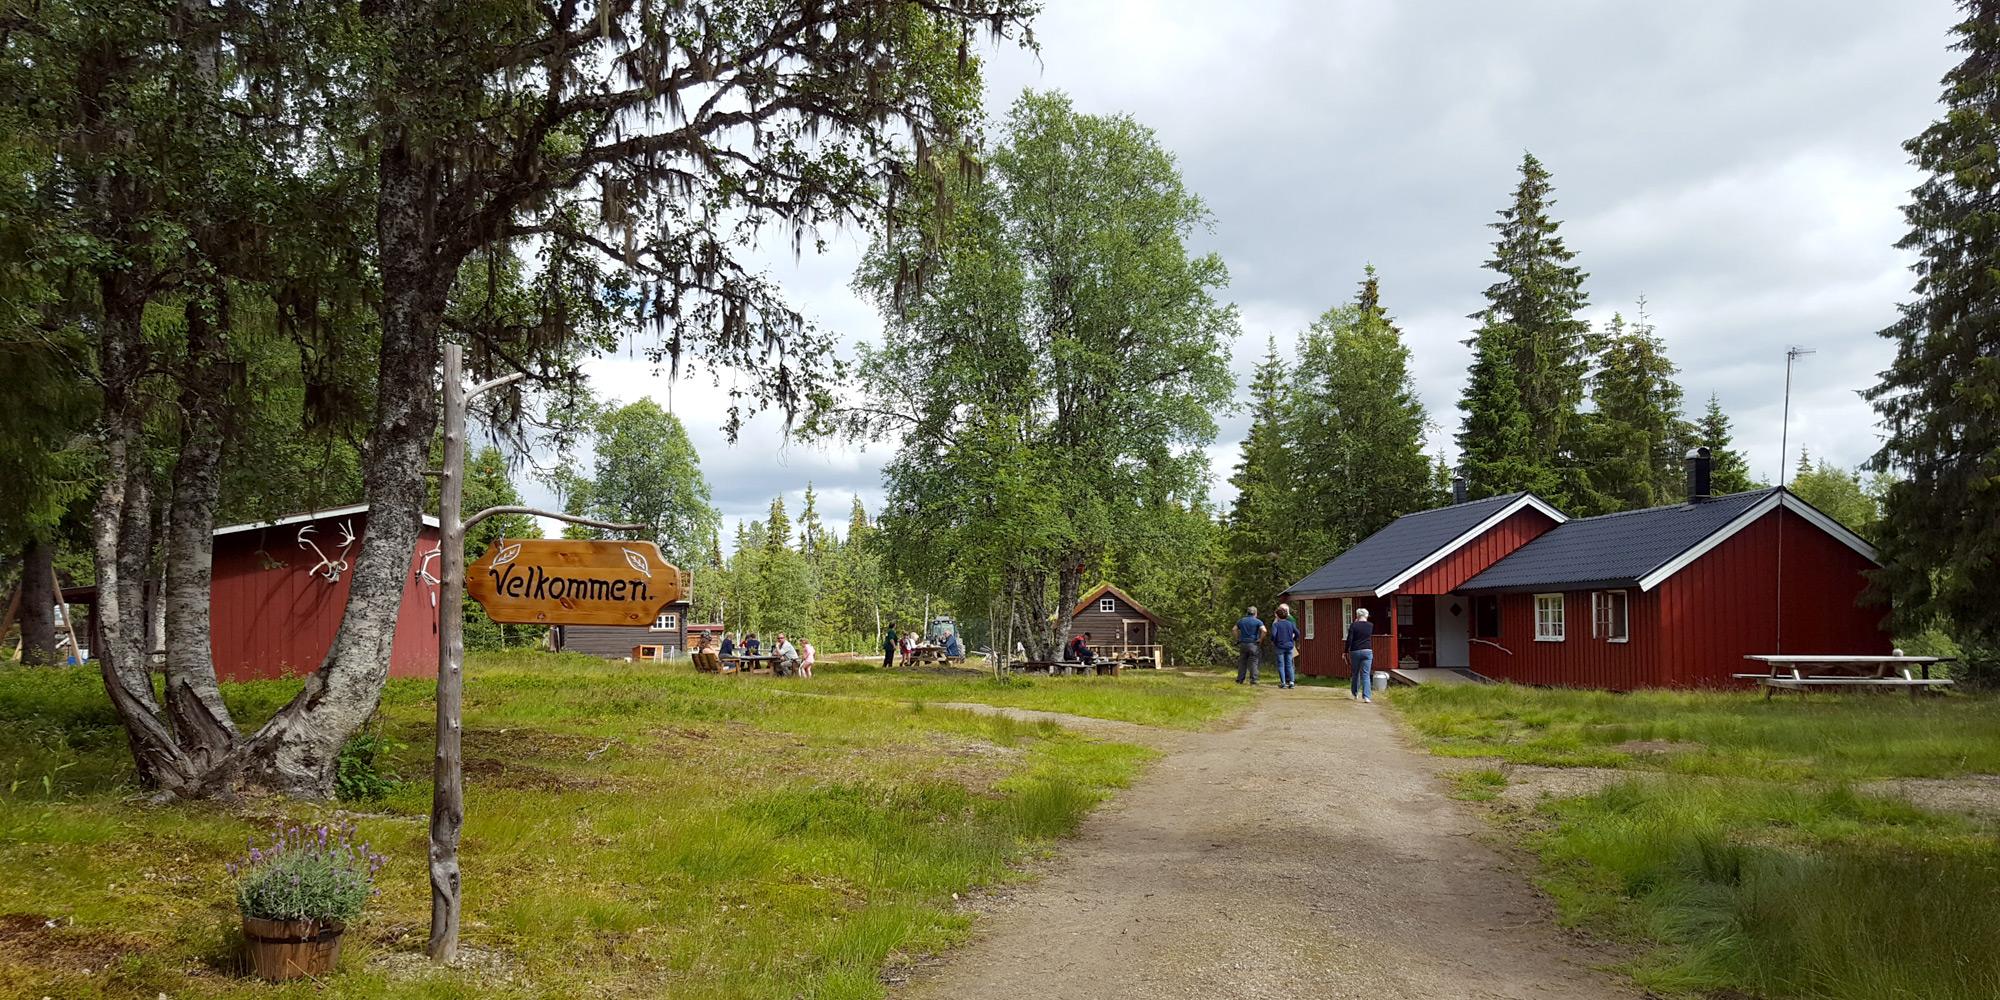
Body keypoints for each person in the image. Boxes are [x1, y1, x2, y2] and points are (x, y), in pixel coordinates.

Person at [1346, 607, 1375, 702]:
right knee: (1366, 674)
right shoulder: (1370, 625)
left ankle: (1355, 694)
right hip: (1367, 650)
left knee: (1355, 673)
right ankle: (1366, 697)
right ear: (1366, 615)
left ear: (1357, 616)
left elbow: (1349, 639)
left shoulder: (1353, 625)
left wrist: (1345, 651)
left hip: (1355, 651)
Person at [1235, 606, 1267, 685]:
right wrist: (1260, 639)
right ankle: (1254, 680)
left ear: (1247, 613)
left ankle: (1240, 679)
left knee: (1242, 662)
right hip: (1253, 644)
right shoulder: (1258, 621)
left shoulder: (1241, 621)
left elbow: (1234, 629)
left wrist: (1238, 638)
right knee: (1253, 662)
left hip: (1243, 643)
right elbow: (1264, 630)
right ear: (1255, 613)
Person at [1271, 604, 1300, 689]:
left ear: (1278, 616)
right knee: (1289, 664)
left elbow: (1273, 635)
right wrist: (1295, 639)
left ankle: (1283, 682)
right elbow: (1297, 633)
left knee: (1281, 664)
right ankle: (1291, 682)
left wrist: (1274, 641)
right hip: (1289, 646)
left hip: (1280, 646)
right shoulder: (1290, 624)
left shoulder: (1276, 625)